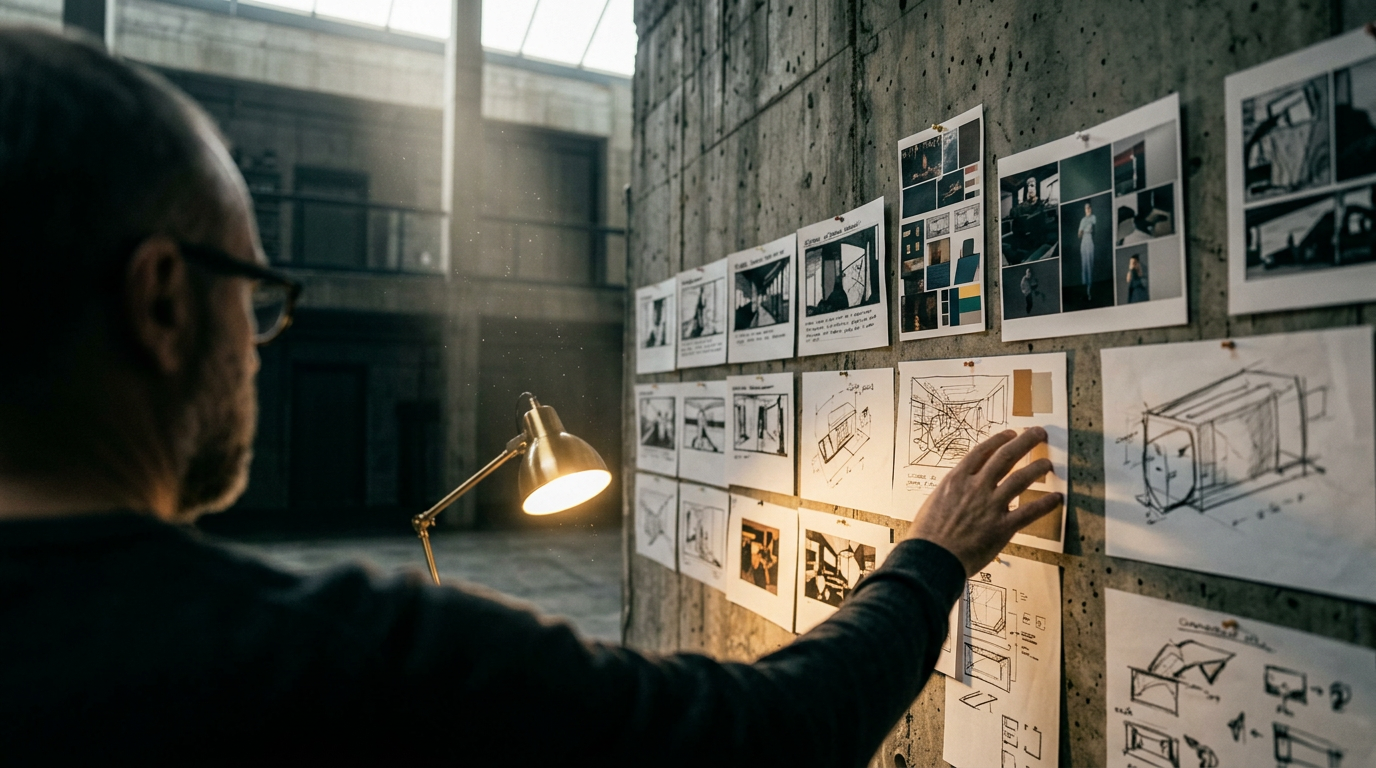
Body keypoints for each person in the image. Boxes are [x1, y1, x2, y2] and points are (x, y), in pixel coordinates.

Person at [0, 29, 1061, 767]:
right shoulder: (340, 662)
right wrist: (929, 560)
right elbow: (761, 741)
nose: (261, 344)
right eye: (257, 296)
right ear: (163, 301)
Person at [1078, 200, 1097, 300]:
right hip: (1083, 242)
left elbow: (1093, 229)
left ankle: (1090, 288)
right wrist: (1083, 229)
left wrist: (1087, 229)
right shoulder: (1082, 220)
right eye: (1086, 208)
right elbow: (1079, 235)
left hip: (1090, 241)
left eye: (1089, 207)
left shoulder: (1093, 218)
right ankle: (1085, 289)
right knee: (1084, 265)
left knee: (1090, 265)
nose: (1088, 209)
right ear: (1084, 209)